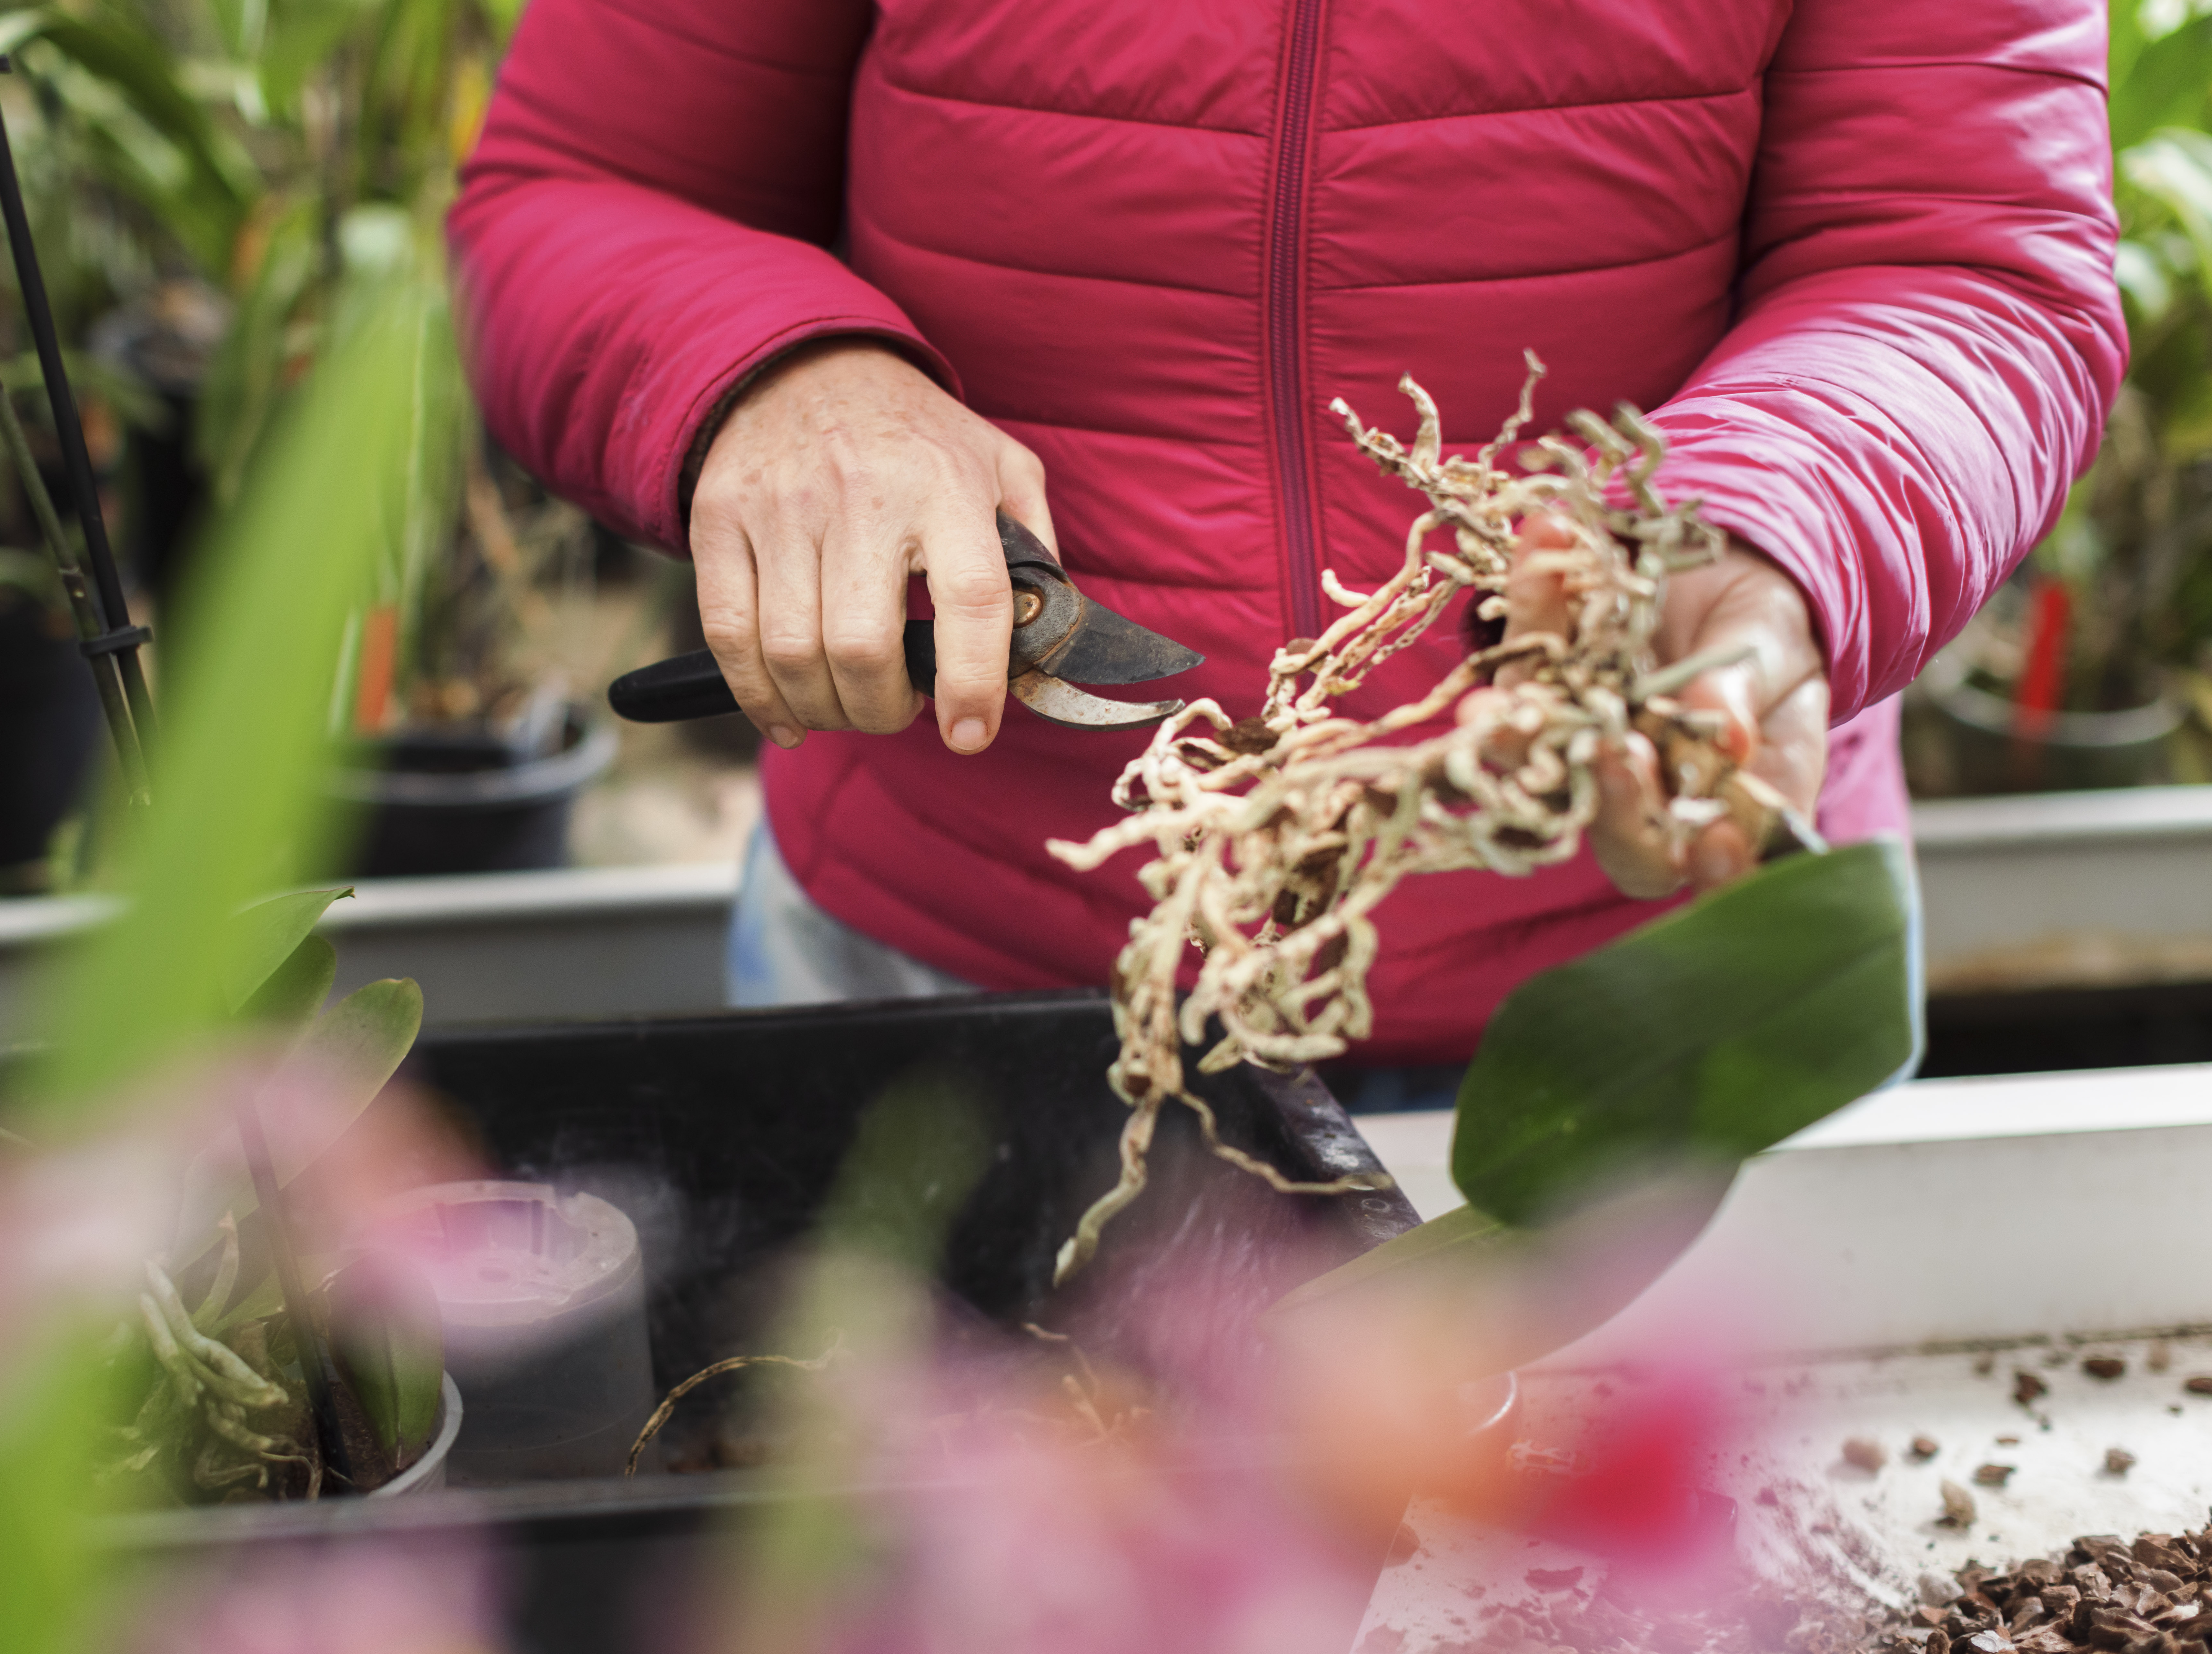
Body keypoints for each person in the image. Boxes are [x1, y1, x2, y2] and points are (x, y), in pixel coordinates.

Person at [450, 0, 2123, 1089]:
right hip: (950, 980)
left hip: (1655, 1005)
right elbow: (579, 183)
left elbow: (1964, 260)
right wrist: (781, 382)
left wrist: (1761, 534)